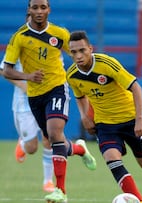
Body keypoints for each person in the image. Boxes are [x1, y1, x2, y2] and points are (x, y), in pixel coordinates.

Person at [2, 0, 97, 202]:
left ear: (48, 10)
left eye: (42, 7)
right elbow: (6, 70)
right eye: (34, 7)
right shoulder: (19, 37)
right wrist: (28, 77)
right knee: (48, 143)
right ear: (29, 10)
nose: (38, 11)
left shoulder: (59, 33)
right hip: (34, 96)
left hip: (57, 88)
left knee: (53, 135)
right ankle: (79, 149)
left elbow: (78, 55)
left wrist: (88, 76)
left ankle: (59, 190)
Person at [66, 31, 142, 203]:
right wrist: (85, 116)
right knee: (112, 159)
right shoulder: (71, 75)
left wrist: (139, 119)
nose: (78, 56)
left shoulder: (107, 64)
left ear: (90, 49)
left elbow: (136, 88)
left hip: (131, 119)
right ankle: (139, 200)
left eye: (82, 50)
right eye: (74, 52)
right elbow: (80, 96)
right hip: (105, 125)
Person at [0, 13, 55, 193]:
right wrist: (23, 85)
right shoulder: (18, 40)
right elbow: (3, 69)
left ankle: (48, 181)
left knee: (50, 138)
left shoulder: (51, 40)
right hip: (24, 101)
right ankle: (23, 144)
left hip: (46, 97)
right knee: (32, 147)